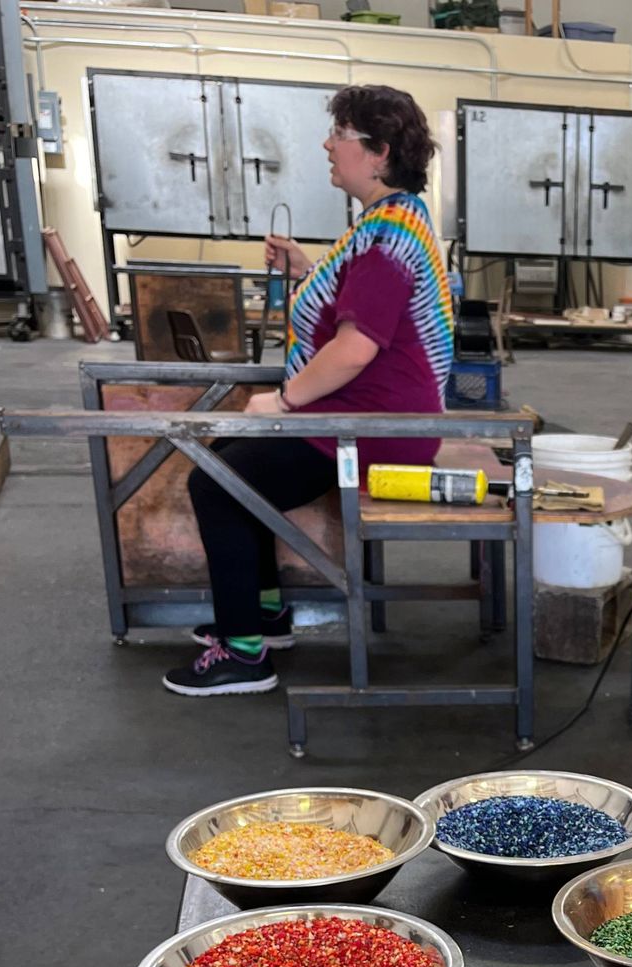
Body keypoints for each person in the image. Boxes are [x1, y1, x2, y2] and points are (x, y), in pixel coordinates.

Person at [163, 84, 455, 696]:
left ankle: (245, 654)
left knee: (214, 482)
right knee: (228, 469)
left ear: (377, 153)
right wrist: (307, 269)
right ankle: (262, 615)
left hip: (374, 429)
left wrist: (287, 400)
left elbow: (355, 347)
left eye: (341, 135)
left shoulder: (385, 237)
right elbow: (361, 299)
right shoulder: (389, 222)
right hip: (372, 418)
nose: (328, 143)